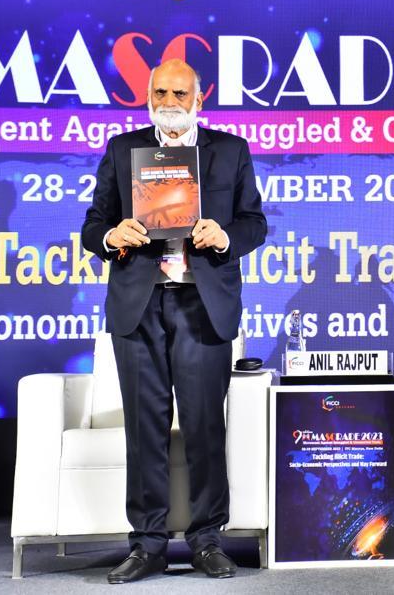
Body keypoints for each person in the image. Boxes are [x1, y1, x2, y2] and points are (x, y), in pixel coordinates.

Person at [82, 59, 266, 583]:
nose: (169, 101)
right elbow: (93, 225)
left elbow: (254, 223)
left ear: (199, 99)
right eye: (160, 92)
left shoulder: (230, 150)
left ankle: (207, 540)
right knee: (145, 431)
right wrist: (110, 236)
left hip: (202, 304)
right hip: (139, 305)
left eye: (180, 93)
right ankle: (147, 544)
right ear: (148, 96)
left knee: (205, 425)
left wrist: (225, 236)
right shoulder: (122, 150)